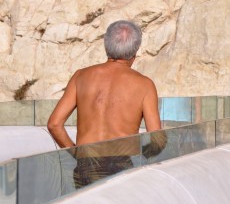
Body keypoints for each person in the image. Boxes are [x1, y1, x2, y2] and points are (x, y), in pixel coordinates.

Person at [47, 20, 164, 187]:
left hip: (86, 166)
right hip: (122, 165)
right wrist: (143, 156)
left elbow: (54, 124)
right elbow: (157, 139)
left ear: (106, 46)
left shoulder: (80, 76)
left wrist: (77, 154)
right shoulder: (144, 85)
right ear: (135, 51)